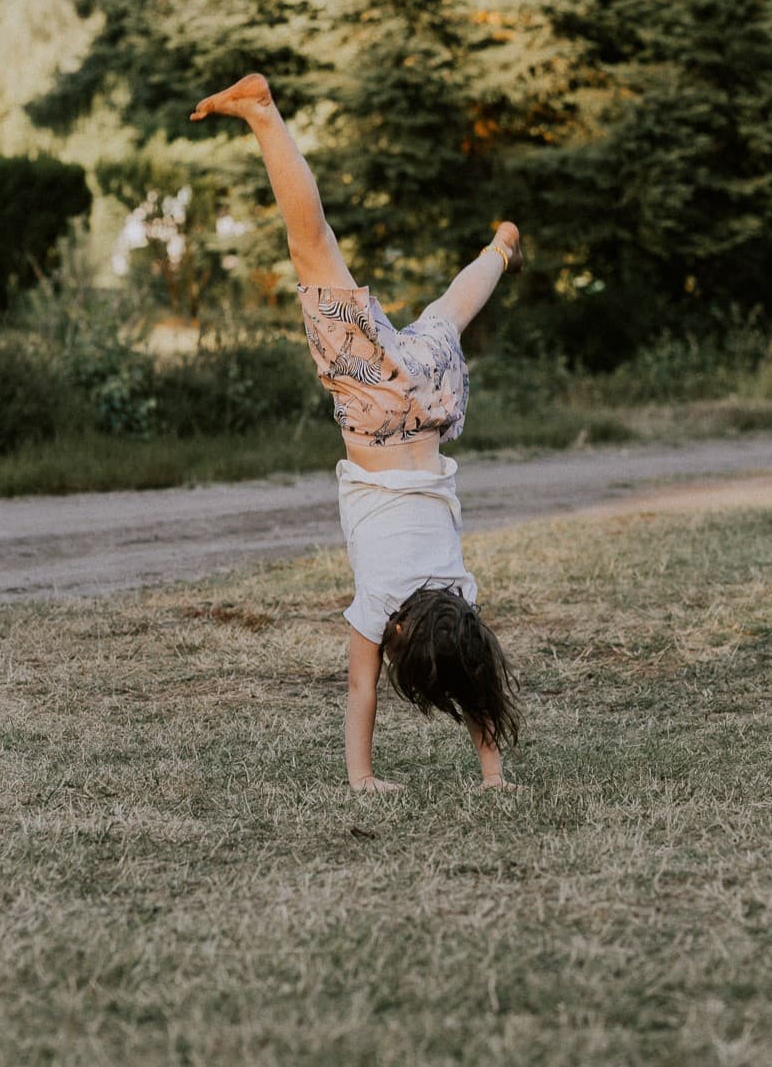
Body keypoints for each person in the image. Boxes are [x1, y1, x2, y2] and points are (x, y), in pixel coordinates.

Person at [191, 73, 523, 793]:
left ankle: (499, 250)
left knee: (448, 315)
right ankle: (263, 115)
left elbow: (473, 675)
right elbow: (360, 692)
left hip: (430, 402)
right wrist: (362, 777)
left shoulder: (459, 595)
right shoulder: (381, 605)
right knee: (314, 251)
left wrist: (495, 772)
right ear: (402, 637)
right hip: (376, 414)